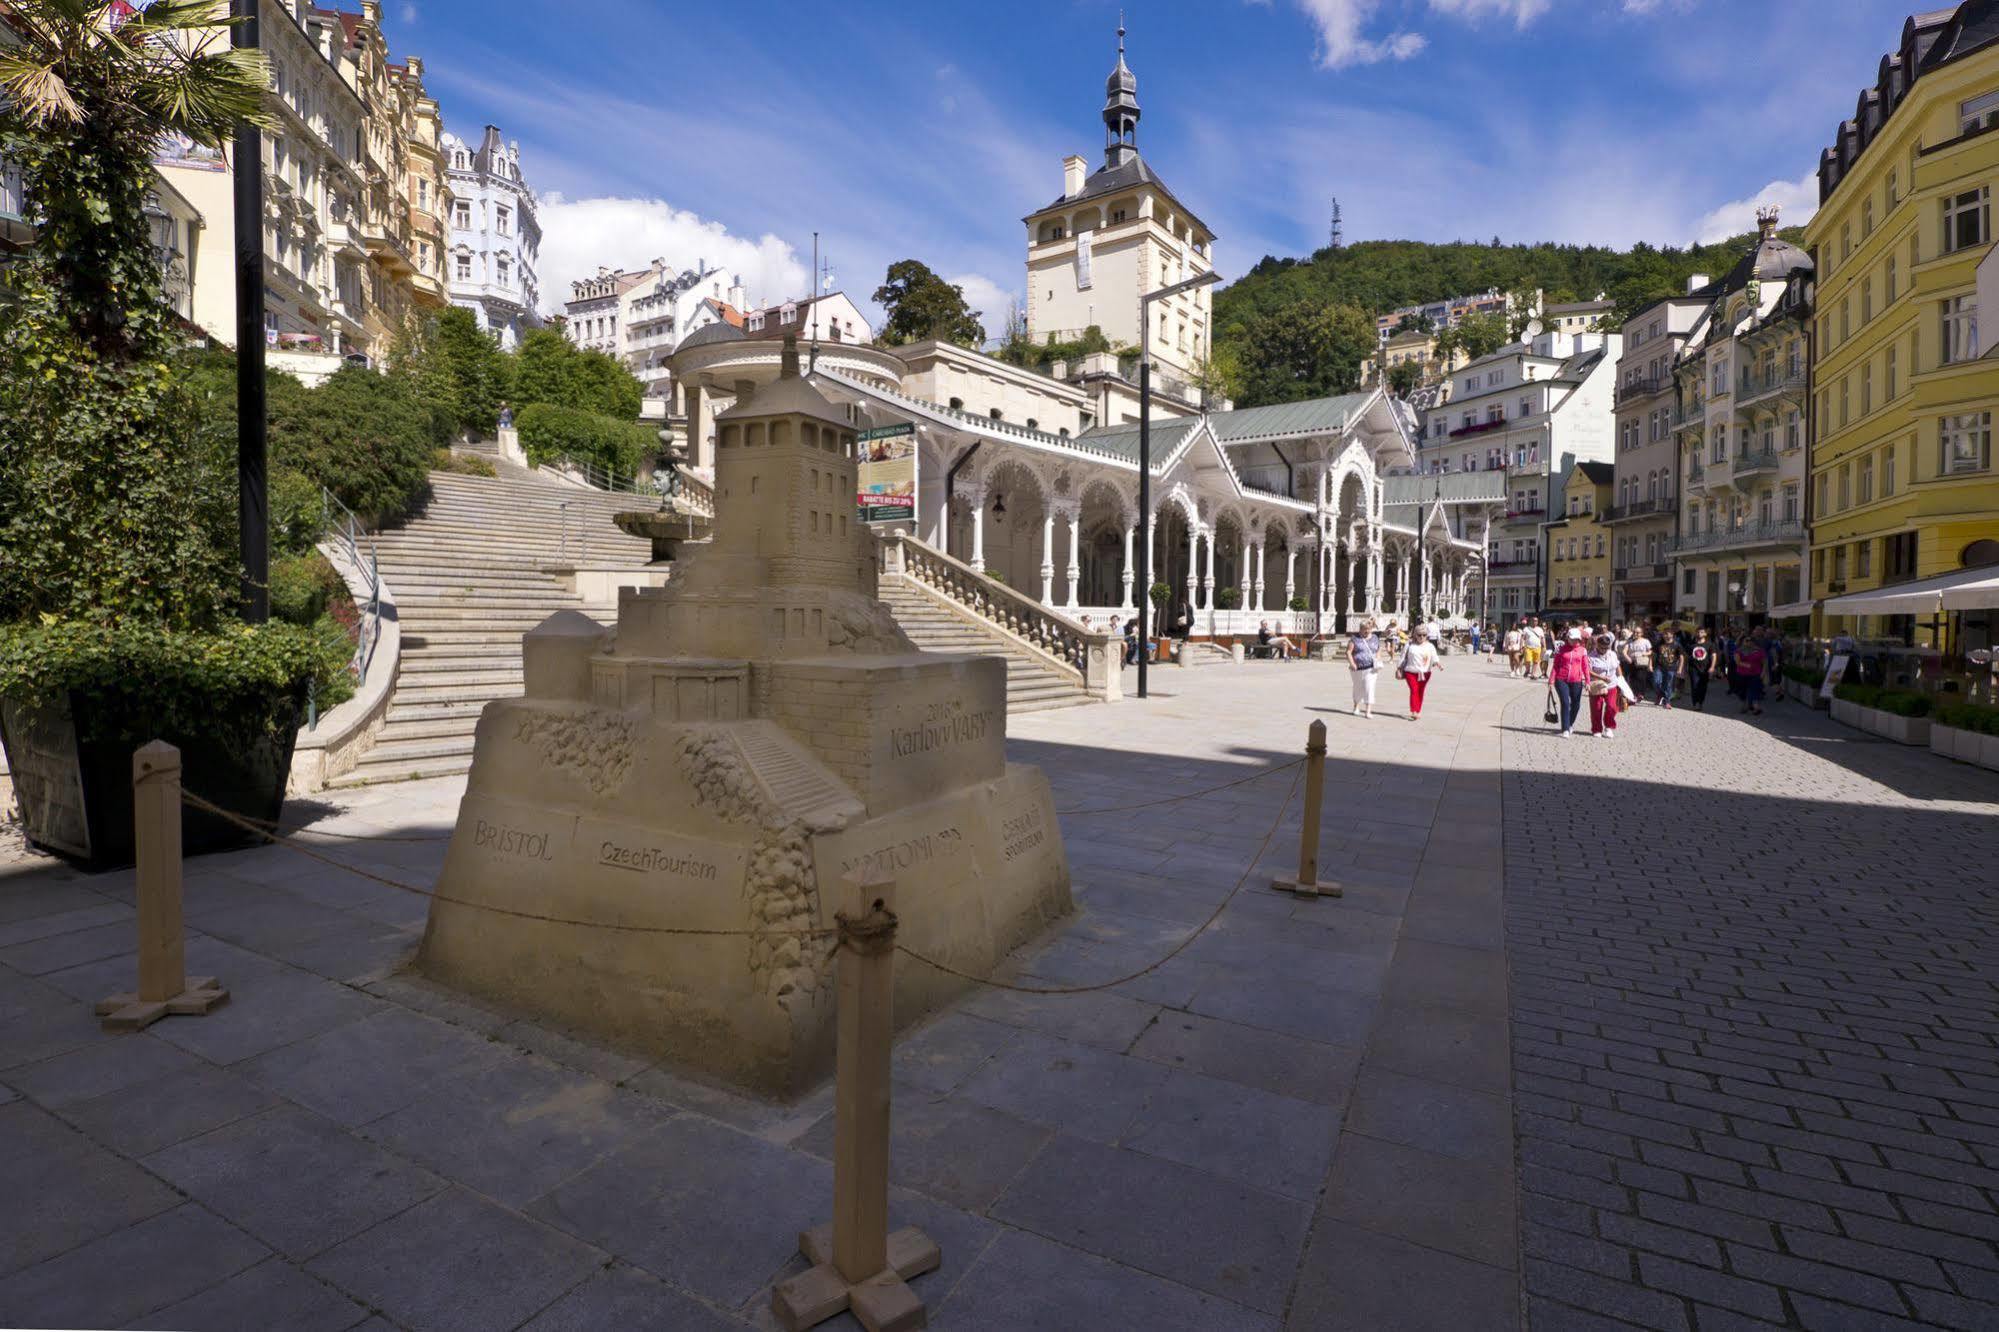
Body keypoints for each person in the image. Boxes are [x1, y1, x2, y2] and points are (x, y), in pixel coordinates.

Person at [1549, 627, 1589, 736]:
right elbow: (1556, 666)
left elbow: (1585, 667)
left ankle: (1570, 723)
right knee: (1565, 703)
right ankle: (1565, 728)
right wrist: (1551, 680)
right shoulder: (1560, 649)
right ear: (1568, 638)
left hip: (1576, 680)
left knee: (1576, 704)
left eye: (1577, 639)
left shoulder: (1582, 650)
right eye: (1572, 639)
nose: (1575, 641)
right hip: (1561, 679)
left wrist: (1588, 681)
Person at [1398, 625, 1441, 720]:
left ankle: (1418, 710)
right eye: (1419, 635)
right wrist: (1399, 668)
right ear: (1415, 635)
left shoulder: (1430, 646)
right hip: (1411, 672)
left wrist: (1437, 663)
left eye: (1424, 635)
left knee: (1420, 691)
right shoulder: (1409, 644)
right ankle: (1414, 711)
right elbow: (1402, 656)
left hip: (1425, 672)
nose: (1422, 637)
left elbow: (1434, 656)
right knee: (1414, 690)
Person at [1586, 633, 1623, 738]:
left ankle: (1609, 726)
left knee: (1612, 707)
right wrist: (1601, 678)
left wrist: (1621, 679)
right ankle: (1596, 729)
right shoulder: (1590, 656)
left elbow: (1617, 666)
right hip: (1597, 684)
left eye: (1606, 648)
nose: (1604, 650)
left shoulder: (1612, 654)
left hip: (1612, 684)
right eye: (1602, 647)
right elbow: (1588, 671)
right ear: (1597, 645)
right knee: (1596, 708)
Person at [1348, 619, 1382, 717]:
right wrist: (1352, 663)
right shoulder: (1354, 638)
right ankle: (1356, 706)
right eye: (1364, 629)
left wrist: (1378, 657)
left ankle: (1368, 711)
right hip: (1357, 668)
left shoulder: (1375, 637)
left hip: (1371, 668)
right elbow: (1349, 652)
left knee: (1369, 687)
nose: (1367, 631)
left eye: (1368, 629)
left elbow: (1379, 648)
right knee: (1358, 688)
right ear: (1360, 629)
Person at [1735, 630, 1768, 716]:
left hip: (1755, 674)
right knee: (1743, 691)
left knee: (1754, 690)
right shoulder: (1739, 651)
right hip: (1742, 674)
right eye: (1746, 640)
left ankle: (1756, 707)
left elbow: (1764, 662)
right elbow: (1737, 662)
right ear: (1743, 642)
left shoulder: (1759, 651)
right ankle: (1744, 705)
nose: (1748, 642)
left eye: (1750, 641)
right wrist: (1746, 665)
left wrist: (1763, 672)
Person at [1686, 628, 1715, 711]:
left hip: (1705, 668)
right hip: (1693, 668)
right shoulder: (1691, 644)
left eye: (1702, 632)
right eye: (1698, 632)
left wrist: (1712, 667)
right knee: (1694, 685)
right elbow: (1686, 657)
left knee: (1703, 686)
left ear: (1705, 634)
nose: (1699, 634)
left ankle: (1700, 702)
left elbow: (1714, 656)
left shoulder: (1710, 644)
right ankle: (1695, 703)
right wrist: (1684, 668)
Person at [1623, 628, 1653, 703]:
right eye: (1634, 632)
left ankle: (1641, 693)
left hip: (1642, 662)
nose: (1635, 634)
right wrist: (1627, 658)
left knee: (1641, 677)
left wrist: (1644, 654)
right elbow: (1624, 651)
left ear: (1641, 633)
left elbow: (1650, 652)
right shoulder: (1630, 641)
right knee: (1633, 679)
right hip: (1632, 662)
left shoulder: (1646, 641)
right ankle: (1635, 695)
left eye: (1638, 632)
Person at [1653, 631, 1682, 708]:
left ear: (1672, 635)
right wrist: (1650, 664)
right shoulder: (1659, 644)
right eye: (1664, 634)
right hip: (1659, 666)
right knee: (1656, 682)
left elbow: (1681, 657)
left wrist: (1680, 668)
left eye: (1667, 634)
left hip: (1671, 668)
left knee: (1668, 685)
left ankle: (1667, 701)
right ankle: (1660, 694)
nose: (1665, 635)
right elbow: (1653, 654)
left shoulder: (1677, 645)